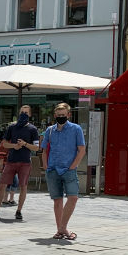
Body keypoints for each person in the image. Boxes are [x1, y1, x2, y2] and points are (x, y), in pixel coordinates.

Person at [40, 103, 86, 240]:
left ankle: (62, 228)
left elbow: (81, 149)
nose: (61, 117)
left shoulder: (76, 129)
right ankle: (61, 230)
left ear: (68, 115)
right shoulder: (50, 130)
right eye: (58, 115)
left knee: (73, 197)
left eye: (63, 115)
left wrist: (73, 166)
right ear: (55, 116)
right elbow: (44, 150)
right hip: (53, 169)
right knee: (57, 200)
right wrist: (46, 166)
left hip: (68, 169)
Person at [0, 105, 39, 221]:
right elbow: (4, 143)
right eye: (22, 112)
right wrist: (14, 146)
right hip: (11, 160)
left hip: (25, 161)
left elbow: (36, 148)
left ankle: (19, 211)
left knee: (23, 186)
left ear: (30, 115)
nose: (24, 114)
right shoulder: (12, 127)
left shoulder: (33, 129)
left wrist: (25, 144)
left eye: (26, 112)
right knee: (2, 185)